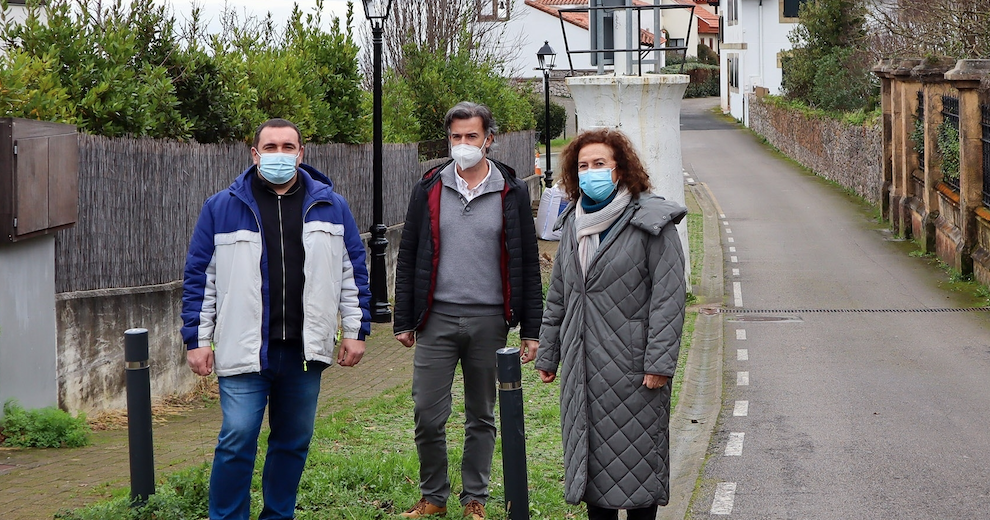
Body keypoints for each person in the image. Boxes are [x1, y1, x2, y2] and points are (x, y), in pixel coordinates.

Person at [181, 118, 371, 520]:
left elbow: (352, 272)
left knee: (292, 442)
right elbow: (201, 278)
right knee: (237, 439)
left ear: (301, 153)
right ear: (255, 154)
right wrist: (197, 340)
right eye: (271, 147)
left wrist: (355, 330)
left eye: (288, 147)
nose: (280, 155)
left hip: (304, 353)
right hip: (245, 352)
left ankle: (278, 515)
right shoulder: (221, 207)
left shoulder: (332, 207)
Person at [393, 102, 543, 520]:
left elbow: (527, 263)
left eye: (471, 136)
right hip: (436, 319)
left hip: (489, 320)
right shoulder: (428, 189)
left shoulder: (510, 192)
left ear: (488, 139)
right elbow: (409, 258)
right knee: (427, 412)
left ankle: (474, 497)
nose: (462, 144)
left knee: (482, 413)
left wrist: (532, 329)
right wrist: (403, 319)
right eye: (455, 137)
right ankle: (434, 496)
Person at [534, 128, 686, 520]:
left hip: (632, 369)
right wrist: (548, 355)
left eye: (599, 164)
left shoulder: (652, 221)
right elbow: (559, 296)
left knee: (637, 468)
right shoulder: (572, 223)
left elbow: (669, 300)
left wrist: (659, 364)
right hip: (582, 369)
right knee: (592, 470)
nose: (590, 172)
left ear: (619, 170)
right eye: (583, 166)